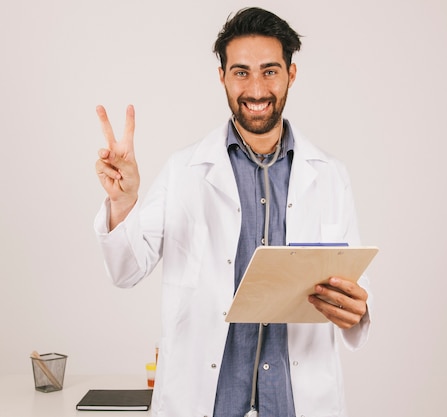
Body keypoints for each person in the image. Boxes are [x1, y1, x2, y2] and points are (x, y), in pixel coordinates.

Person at [94, 7, 371, 417]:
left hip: (297, 402)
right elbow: (126, 269)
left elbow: (355, 281)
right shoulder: (183, 170)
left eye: (270, 71)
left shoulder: (330, 176)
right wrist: (122, 201)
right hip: (207, 401)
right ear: (221, 76)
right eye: (241, 72)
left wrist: (358, 309)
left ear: (291, 75)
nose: (256, 89)